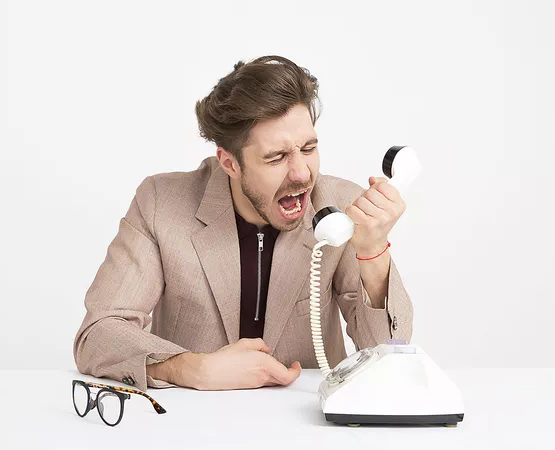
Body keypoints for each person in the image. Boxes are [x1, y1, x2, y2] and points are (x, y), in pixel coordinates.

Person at [73, 55, 413, 392]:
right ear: (230, 163)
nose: (301, 173)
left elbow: (389, 354)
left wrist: (373, 252)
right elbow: (98, 333)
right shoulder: (161, 202)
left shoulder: (340, 206)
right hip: (190, 425)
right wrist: (191, 368)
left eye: (308, 148)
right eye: (276, 157)